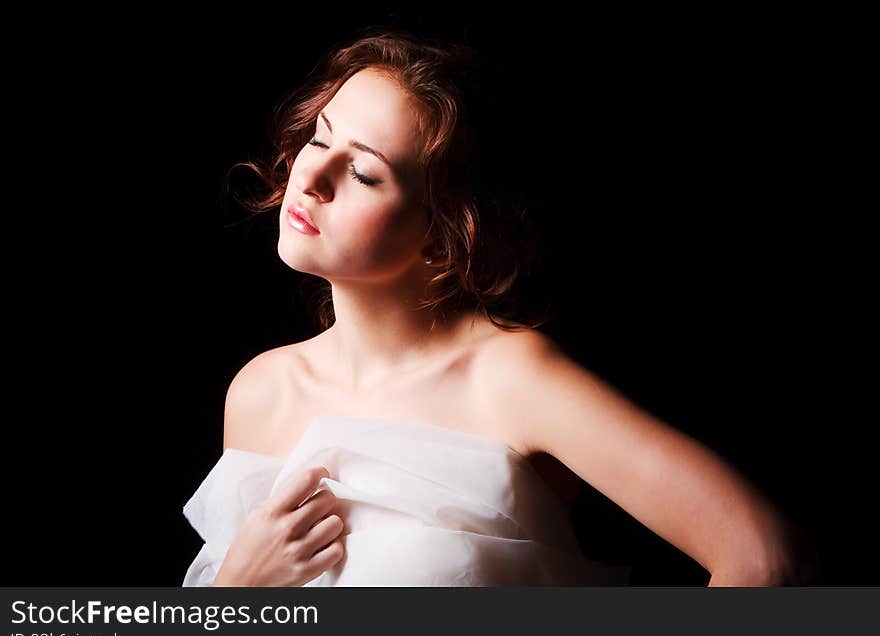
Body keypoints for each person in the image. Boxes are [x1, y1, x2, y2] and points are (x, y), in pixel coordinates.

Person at [181, 27, 818, 587]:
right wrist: (239, 587)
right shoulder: (261, 393)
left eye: (366, 174)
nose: (311, 179)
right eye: (321, 141)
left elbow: (764, 559)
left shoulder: (509, 380)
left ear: (441, 231)